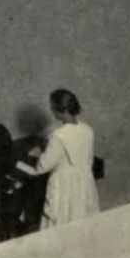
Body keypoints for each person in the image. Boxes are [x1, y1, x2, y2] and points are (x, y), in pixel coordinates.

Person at [31, 89, 99, 229]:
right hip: (84, 181)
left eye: (51, 106)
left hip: (63, 184)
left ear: (58, 109)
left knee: (61, 220)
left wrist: (39, 154)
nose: (50, 110)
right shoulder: (87, 129)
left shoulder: (58, 135)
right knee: (82, 218)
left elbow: (43, 166)